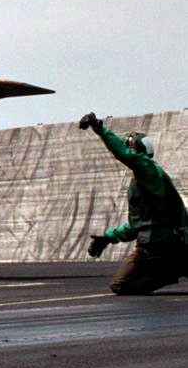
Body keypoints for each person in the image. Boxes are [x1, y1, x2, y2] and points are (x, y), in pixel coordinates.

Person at [79, 113, 188, 294]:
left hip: (162, 245)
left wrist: (99, 127)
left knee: (121, 285)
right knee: (121, 284)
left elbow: (123, 154)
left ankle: (173, 270)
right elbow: (141, 224)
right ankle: (178, 266)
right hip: (164, 242)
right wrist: (109, 237)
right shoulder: (145, 179)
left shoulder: (148, 169)